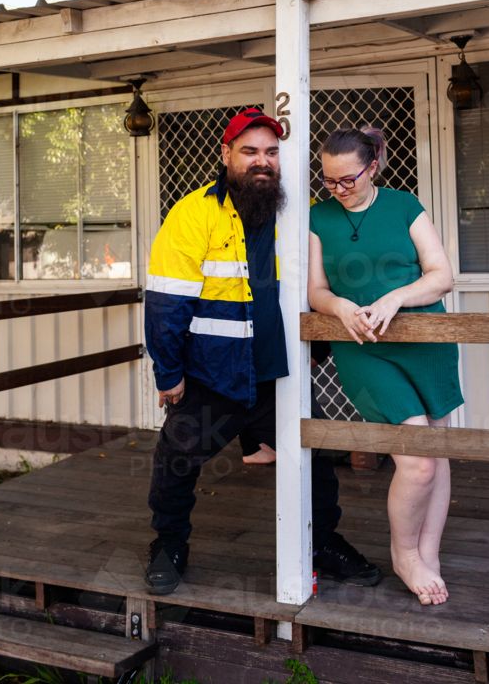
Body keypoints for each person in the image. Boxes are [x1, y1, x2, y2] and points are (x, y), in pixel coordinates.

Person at [144, 108, 382, 595]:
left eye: (271, 152)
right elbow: (166, 303)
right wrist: (168, 373)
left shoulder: (297, 213)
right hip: (213, 374)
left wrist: (318, 343)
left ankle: (323, 543)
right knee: (177, 459)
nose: (262, 161)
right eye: (250, 151)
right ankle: (169, 545)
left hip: (279, 374)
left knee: (314, 457)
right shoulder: (192, 214)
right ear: (226, 154)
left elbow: (318, 283)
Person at [308, 126, 463, 607]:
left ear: (372, 167)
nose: (336, 189)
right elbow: (315, 290)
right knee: (416, 462)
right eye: (328, 180)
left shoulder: (404, 206)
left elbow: (442, 276)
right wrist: (338, 308)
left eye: (347, 179)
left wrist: (395, 296)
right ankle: (404, 554)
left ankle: (428, 554)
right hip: (363, 344)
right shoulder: (317, 218)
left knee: (436, 453)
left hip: (426, 340)